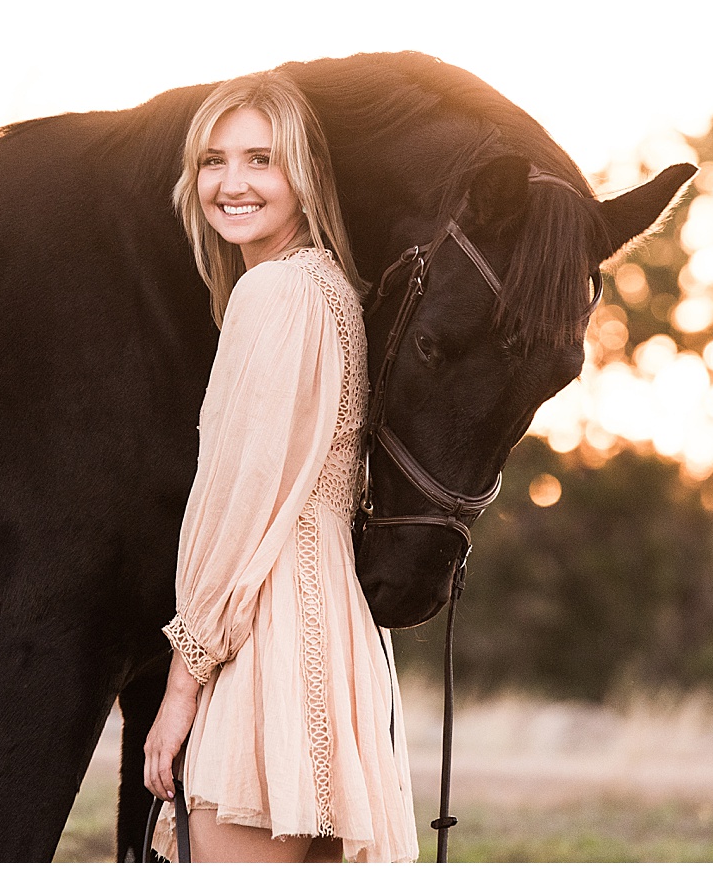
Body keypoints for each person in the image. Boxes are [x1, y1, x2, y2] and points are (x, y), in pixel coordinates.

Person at [143, 71, 419, 863]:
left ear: (305, 173)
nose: (231, 182)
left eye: (261, 159)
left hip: (271, 631)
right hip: (330, 626)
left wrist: (183, 681)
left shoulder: (276, 292)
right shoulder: (329, 289)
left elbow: (241, 501)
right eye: (213, 160)